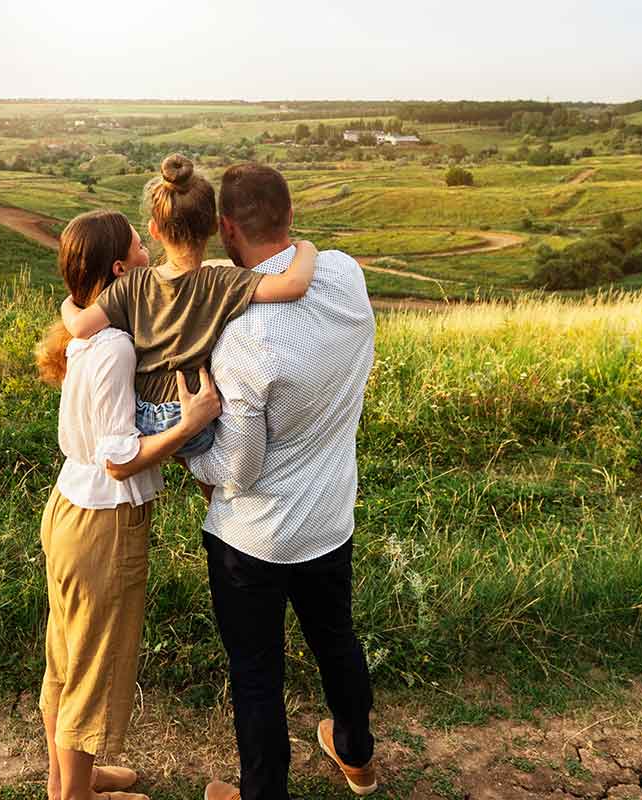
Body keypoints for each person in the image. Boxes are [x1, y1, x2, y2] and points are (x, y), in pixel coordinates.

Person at [188, 164, 381, 800]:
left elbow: (237, 470)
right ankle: (355, 755)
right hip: (330, 514)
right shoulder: (345, 273)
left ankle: (263, 794)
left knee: (256, 673)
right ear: (291, 215)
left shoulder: (242, 335)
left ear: (225, 228)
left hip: (256, 537)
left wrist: (194, 458)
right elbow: (313, 255)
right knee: (336, 640)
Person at [34, 209, 224, 800]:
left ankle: (68, 779)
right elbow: (120, 456)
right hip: (106, 523)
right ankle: (76, 797)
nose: (151, 256)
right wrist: (189, 424)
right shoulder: (115, 345)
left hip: (68, 507)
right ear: (121, 269)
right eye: (142, 248)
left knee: (65, 658)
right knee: (91, 672)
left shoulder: (86, 331)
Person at [59, 154, 320, 481]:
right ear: (214, 226)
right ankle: (221, 500)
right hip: (190, 417)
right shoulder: (219, 282)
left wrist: (67, 302)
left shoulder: (133, 283)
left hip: (141, 417)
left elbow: (80, 327)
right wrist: (306, 247)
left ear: (154, 229)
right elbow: (294, 285)